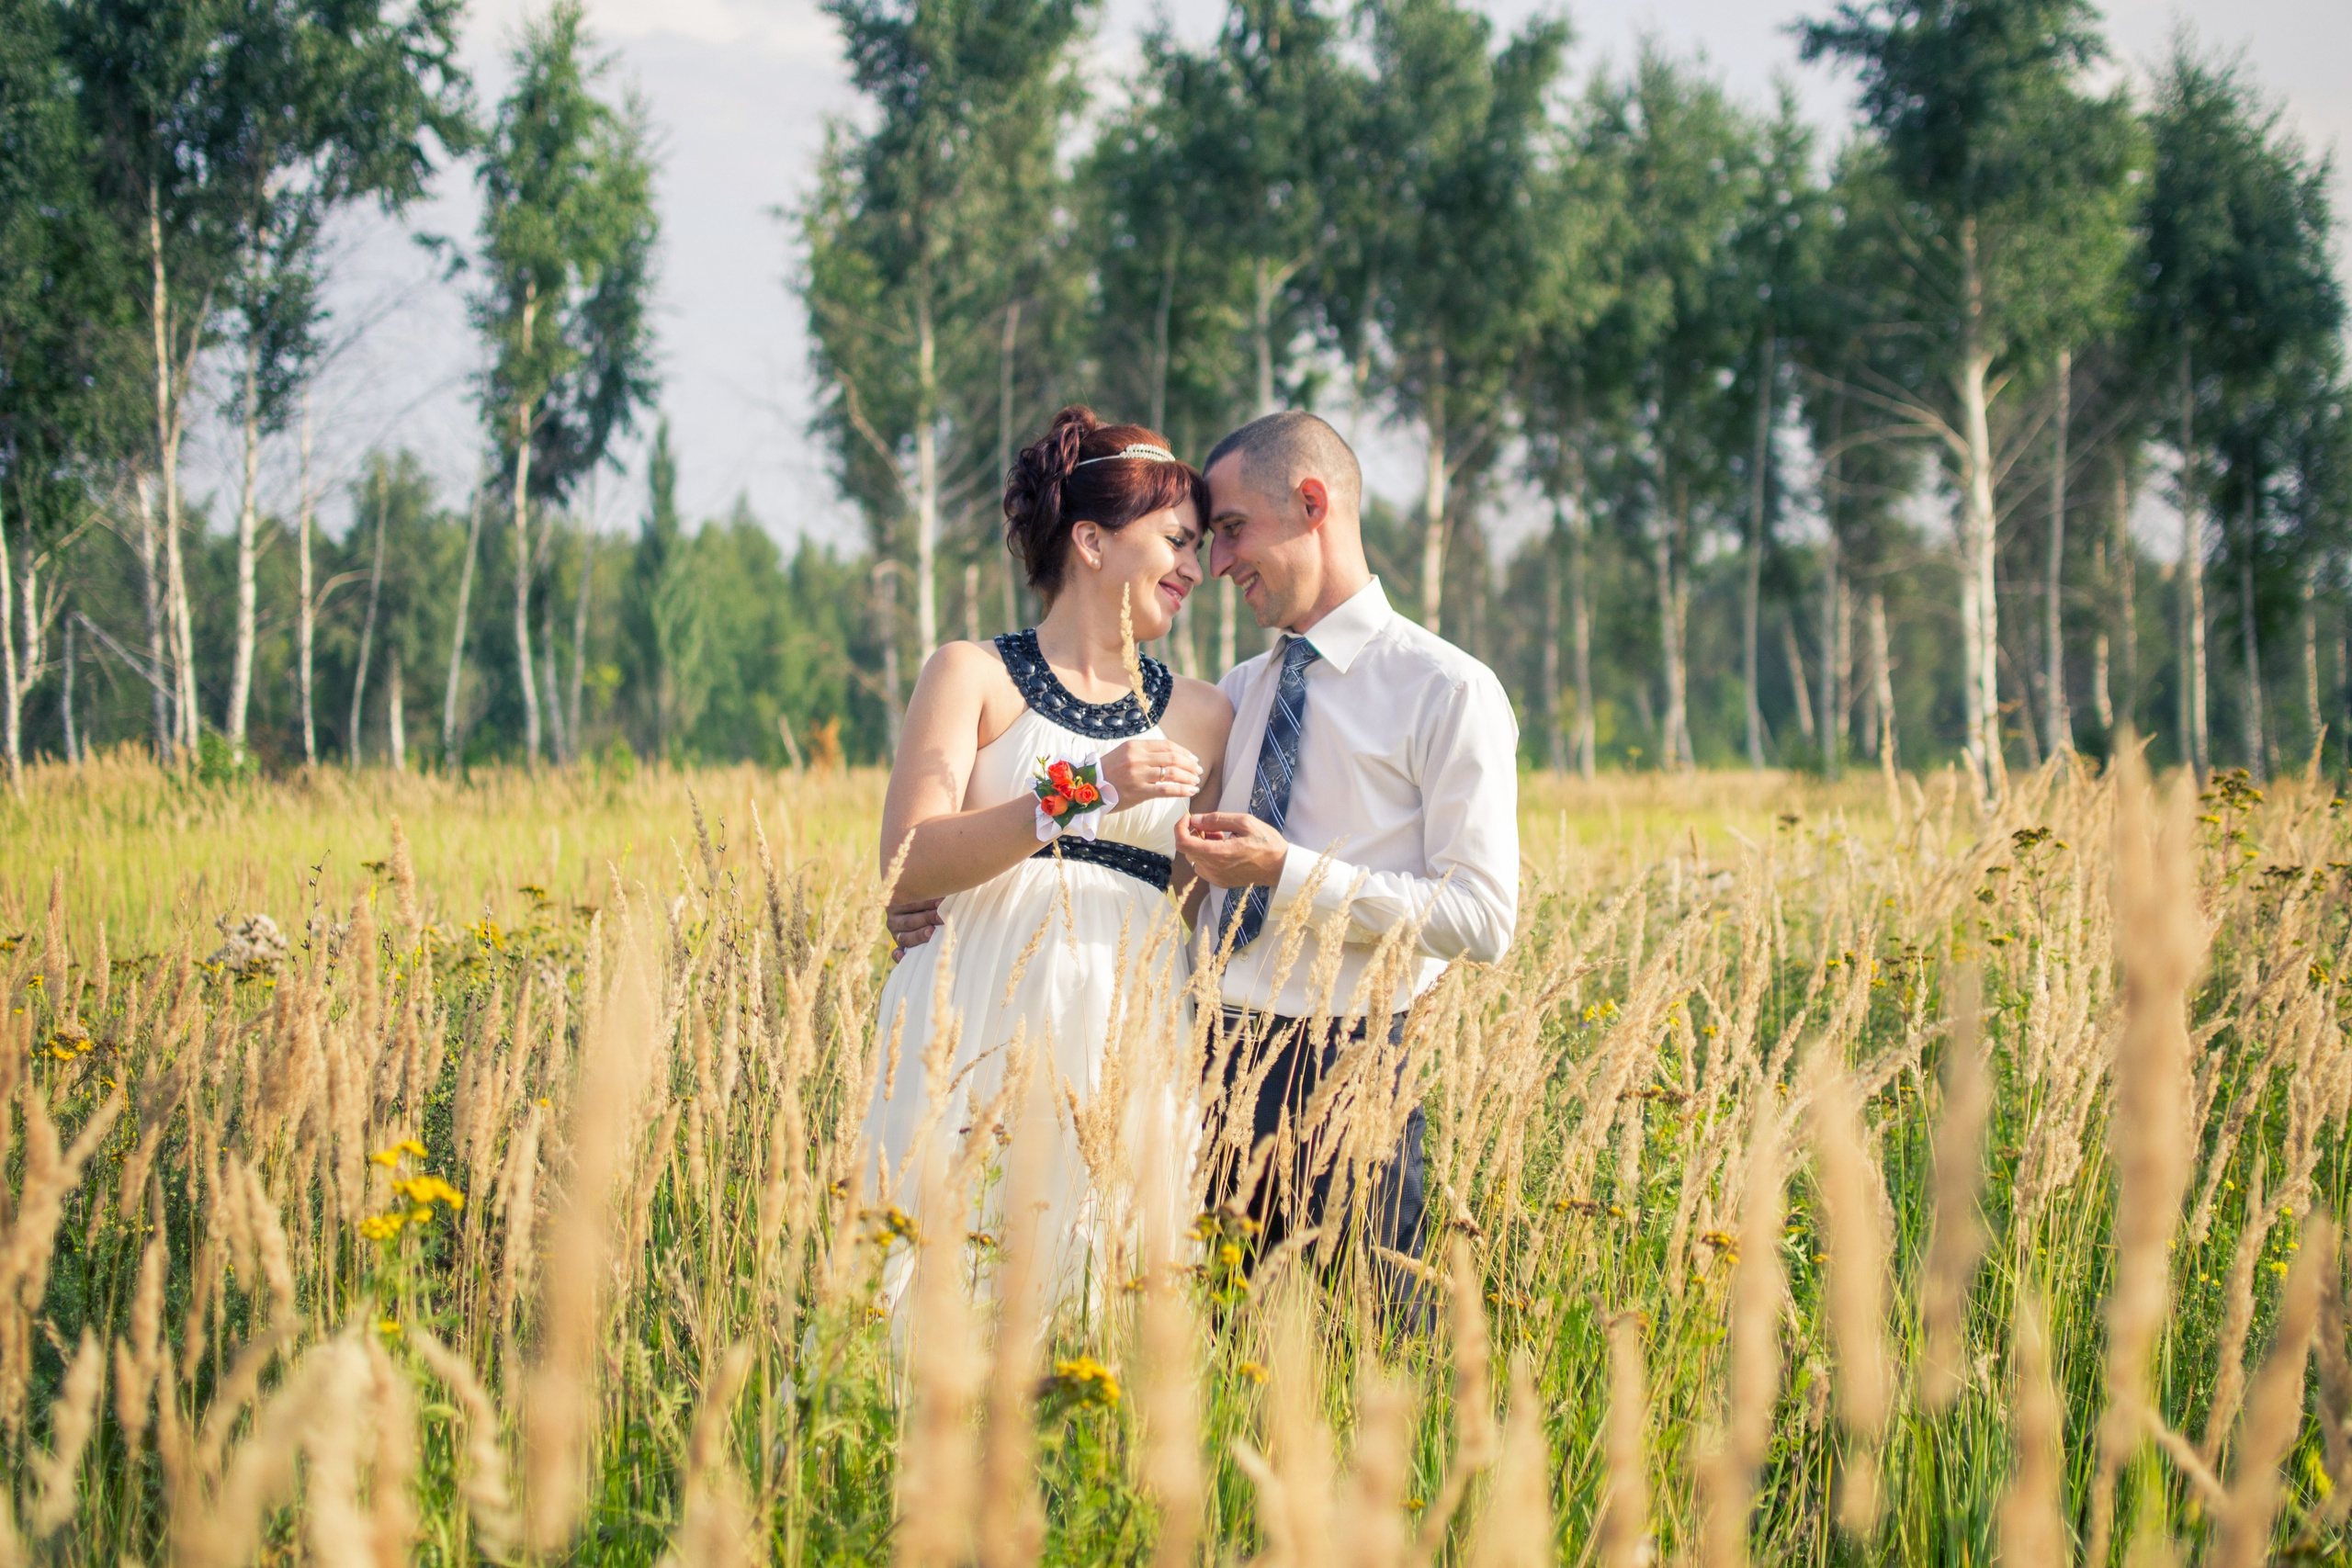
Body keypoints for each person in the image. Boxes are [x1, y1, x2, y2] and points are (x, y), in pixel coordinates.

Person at [862, 405, 1233, 1292]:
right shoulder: (971, 674)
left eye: (1199, 547)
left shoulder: (1206, 714)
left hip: (1129, 1022)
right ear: (1094, 542)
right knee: (947, 1261)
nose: (1195, 568)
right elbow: (906, 861)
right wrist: (1084, 788)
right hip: (975, 1008)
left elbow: (1189, 897)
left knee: (1104, 1272)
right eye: (1177, 541)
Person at [1171, 411, 1520, 1290]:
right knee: (1223, 1363)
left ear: (1312, 502)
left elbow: (1483, 920)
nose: (1216, 565)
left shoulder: (1447, 689)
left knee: (1368, 1365)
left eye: (1232, 530)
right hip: (1213, 1060)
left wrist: (1284, 874)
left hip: (1350, 1068)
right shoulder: (1241, 692)